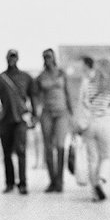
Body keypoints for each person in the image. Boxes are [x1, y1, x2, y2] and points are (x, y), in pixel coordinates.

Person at [0, 49, 37, 194]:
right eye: (10, 57)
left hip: (21, 119)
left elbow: (33, 97)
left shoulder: (26, 77)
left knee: (21, 151)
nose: (12, 59)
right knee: (6, 153)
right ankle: (9, 182)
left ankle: (23, 183)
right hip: (5, 119)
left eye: (14, 57)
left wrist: (35, 115)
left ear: (18, 58)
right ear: (6, 58)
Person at [79, 58, 110, 201]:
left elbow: (82, 104)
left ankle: (94, 191)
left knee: (92, 159)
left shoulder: (87, 83)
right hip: (105, 122)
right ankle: (101, 181)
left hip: (90, 123)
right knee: (106, 157)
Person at [35, 48, 73, 193]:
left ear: (53, 57)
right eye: (45, 57)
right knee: (48, 147)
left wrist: (72, 114)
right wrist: (35, 112)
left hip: (62, 113)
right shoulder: (40, 77)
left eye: (49, 56)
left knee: (60, 145)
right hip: (47, 114)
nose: (47, 59)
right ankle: (52, 180)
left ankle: (60, 180)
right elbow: (37, 97)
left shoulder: (61, 73)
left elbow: (68, 93)